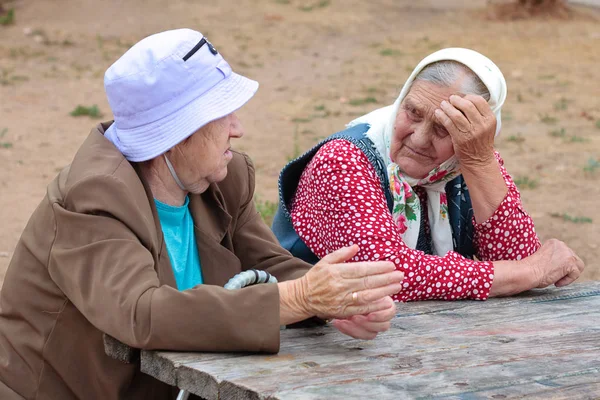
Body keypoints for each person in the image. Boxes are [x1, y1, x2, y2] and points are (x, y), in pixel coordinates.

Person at [0, 29, 405, 400]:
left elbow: (268, 265)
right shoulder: (92, 196)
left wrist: (337, 300)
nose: (238, 127)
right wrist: (300, 298)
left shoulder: (220, 179)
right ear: (177, 130)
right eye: (222, 112)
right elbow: (142, 313)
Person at [273, 48, 585, 302]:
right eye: (413, 113)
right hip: (312, 341)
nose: (419, 139)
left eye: (443, 128)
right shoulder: (342, 160)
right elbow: (386, 275)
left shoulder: (468, 158)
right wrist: (526, 272)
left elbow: (522, 257)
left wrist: (479, 162)